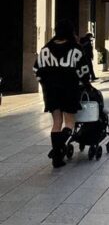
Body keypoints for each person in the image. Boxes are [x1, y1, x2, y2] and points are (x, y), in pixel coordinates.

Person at [33, 19, 90, 168]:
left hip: (50, 91)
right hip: (69, 90)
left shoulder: (46, 49)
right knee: (69, 122)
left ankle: (57, 157)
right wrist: (86, 84)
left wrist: (43, 82)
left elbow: (36, 70)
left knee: (56, 123)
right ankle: (57, 150)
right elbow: (83, 71)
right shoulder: (76, 49)